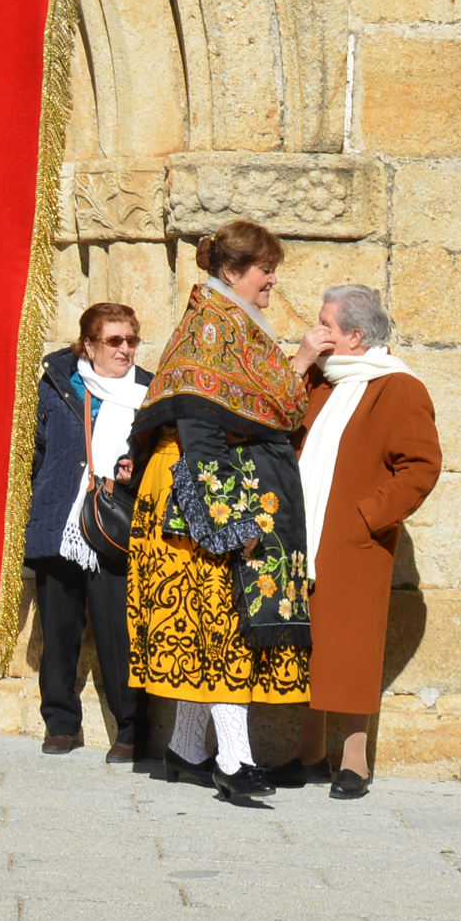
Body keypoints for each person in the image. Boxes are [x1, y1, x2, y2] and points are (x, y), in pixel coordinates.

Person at [125, 221, 313, 809]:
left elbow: (268, 398)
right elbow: (201, 427)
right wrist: (229, 520)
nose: (272, 280)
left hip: (194, 488)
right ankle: (236, 759)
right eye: (264, 270)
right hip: (197, 492)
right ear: (232, 272)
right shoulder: (212, 330)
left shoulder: (232, 326)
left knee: (206, 627)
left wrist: (302, 358)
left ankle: (185, 750)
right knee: (224, 627)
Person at [290, 284, 439, 799]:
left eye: (325, 325)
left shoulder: (398, 387)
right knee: (306, 644)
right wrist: (302, 359)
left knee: (350, 649)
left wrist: (366, 518)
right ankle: (309, 756)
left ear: (355, 335)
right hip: (304, 535)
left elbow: (420, 467)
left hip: (354, 543)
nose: (317, 332)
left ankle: (355, 761)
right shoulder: (320, 381)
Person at [25, 301, 149, 761]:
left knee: (120, 632)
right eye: (114, 341)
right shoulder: (56, 386)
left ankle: (131, 732)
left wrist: (135, 470)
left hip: (113, 526)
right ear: (89, 345)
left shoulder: (148, 392)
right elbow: (34, 451)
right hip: (60, 520)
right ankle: (61, 724)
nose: (125, 349)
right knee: (58, 628)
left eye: (131, 340)